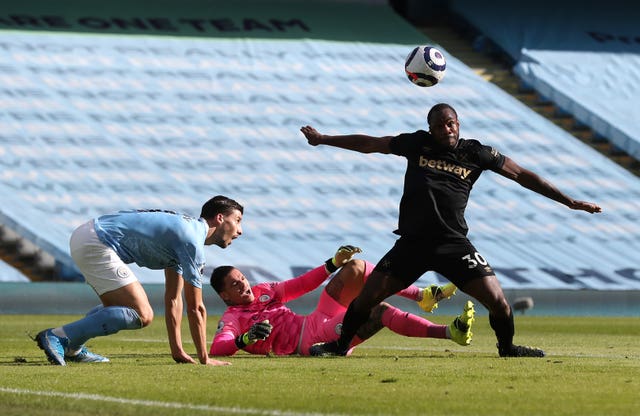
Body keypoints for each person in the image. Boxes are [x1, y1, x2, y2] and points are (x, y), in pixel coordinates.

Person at [300, 103, 602, 358]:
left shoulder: (477, 153)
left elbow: (521, 174)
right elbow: (371, 143)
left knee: (498, 301)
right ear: (430, 128)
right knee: (366, 300)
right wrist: (323, 138)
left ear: (458, 124)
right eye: (441, 125)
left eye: (451, 123)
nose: (448, 129)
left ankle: (507, 347)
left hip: (453, 244)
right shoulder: (416, 143)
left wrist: (570, 202)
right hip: (413, 245)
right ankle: (340, 346)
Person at [34, 195, 244, 366]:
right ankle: (58, 336)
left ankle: (72, 347)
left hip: (89, 236)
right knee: (142, 314)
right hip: (96, 241)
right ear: (219, 218)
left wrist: (178, 350)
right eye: (237, 220)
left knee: (118, 309)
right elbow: (196, 307)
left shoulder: (186, 236)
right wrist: (205, 359)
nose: (240, 230)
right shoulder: (191, 241)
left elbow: (173, 300)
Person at [209, 245, 474, 357]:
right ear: (224, 296)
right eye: (235, 284)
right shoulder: (233, 319)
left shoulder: (262, 290)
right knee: (378, 310)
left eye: (242, 277)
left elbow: (300, 285)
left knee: (356, 267)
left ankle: (422, 295)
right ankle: (452, 333)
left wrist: (333, 263)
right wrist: (244, 340)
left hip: (314, 319)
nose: (243, 284)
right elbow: (217, 348)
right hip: (310, 340)